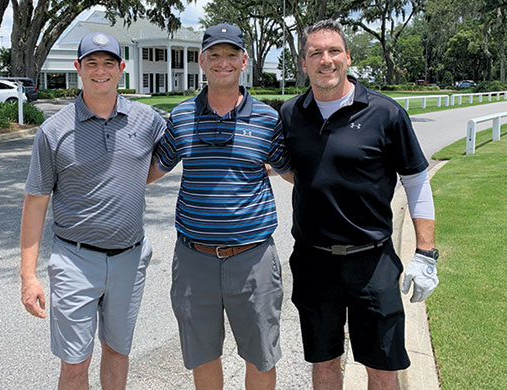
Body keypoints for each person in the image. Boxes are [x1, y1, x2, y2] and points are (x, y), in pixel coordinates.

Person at [279, 20, 439, 390]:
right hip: (313, 259)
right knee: (324, 362)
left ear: (348, 57)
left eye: (333, 50)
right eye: (315, 53)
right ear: (303, 64)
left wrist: (426, 252)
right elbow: (288, 167)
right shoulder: (290, 114)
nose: (326, 60)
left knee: (383, 368)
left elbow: (415, 181)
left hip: (373, 260)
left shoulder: (385, 113)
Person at [147, 23, 293, 390]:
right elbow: (152, 169)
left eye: (231, 55)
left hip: (253, 259)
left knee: (260, 355)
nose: (223, 62)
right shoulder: (180, 117)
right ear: (202, 61)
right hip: (194, 258)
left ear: (244, 61)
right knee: (203, 354)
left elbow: (293, 171)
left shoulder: (267, 119)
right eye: (215, 54)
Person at [19, 32, 165, 390]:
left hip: (130, 259)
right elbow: (36, 203)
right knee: (74, 362)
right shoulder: (53, 131)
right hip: (74, 260)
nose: (101, 71)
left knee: (117, 351)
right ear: (79, 69)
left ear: (121, 69)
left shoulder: (147, 120)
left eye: (108, 63)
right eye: (92, 63)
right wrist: (28, 276)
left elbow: (188, 147)